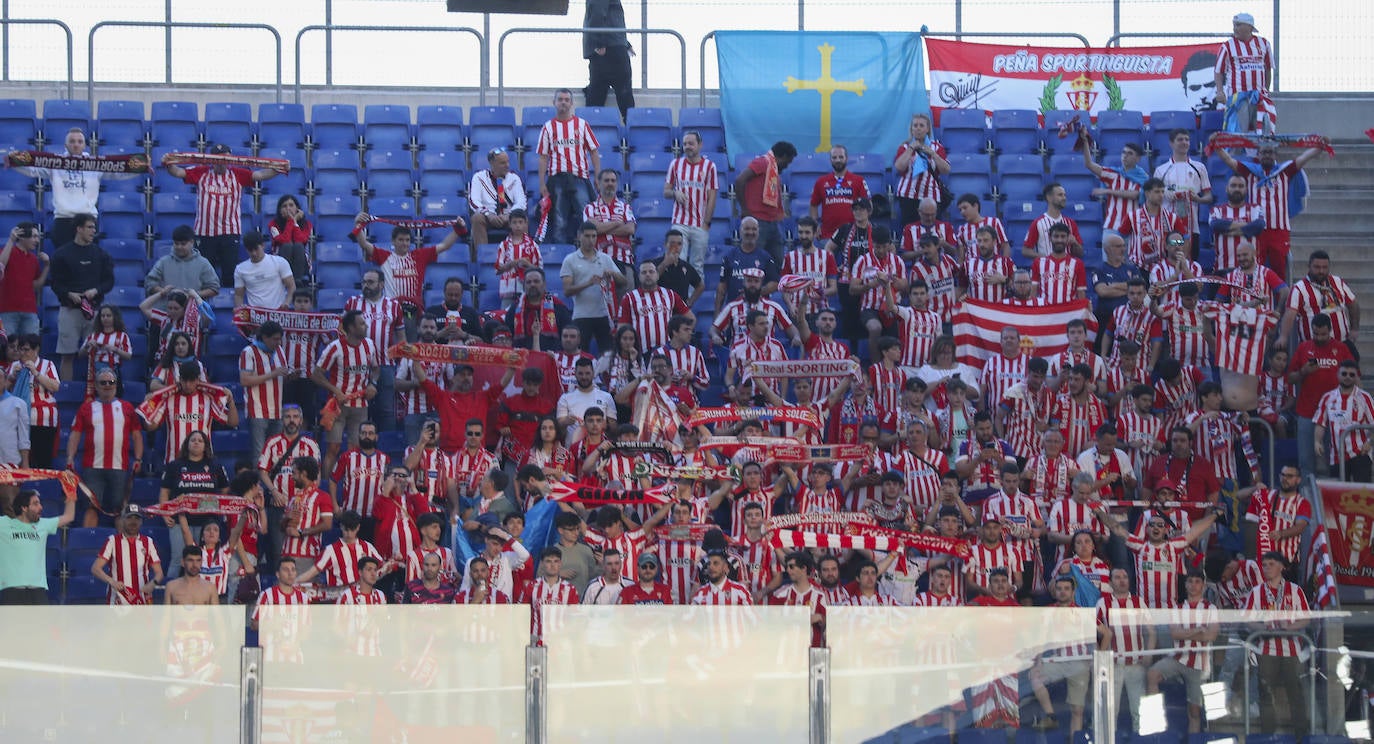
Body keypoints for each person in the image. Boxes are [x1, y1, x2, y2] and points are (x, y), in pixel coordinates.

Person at [161, 144, 280, 287]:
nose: (222, 163)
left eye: (225, 159)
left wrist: (278, 169)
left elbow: (260, 175)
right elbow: (179, 172)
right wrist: (168, 164)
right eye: (218, 159)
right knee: (203, 275)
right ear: (211, 160)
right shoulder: (202, 172)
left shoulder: (238, 174)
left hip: (230, 232)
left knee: (230, 274)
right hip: (204, 232)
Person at [1212, 135, 1327, 278]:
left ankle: (1278, 299)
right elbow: (1228, 160)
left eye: (1270, 152)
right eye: (1263, 152)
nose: (1267, 155)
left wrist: (1320, 146)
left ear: (1275, 155)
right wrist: (1216, 144)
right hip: (1257, 230)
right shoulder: (1249, 172)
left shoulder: (1285, 171)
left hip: (1279, 230)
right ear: (1258, 155)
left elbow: (1304, 158)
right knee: (1254, 270)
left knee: (1279, 271)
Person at [9, 128, 140, 249]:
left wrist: (140, 168)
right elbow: (33, 171)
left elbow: (118, 172)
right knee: (64, 264)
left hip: (87, 220)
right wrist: (15, 162)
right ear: (66, 145)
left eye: (79, 141)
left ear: (84, 145)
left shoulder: (97, 164)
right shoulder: (54, 163)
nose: (76, 144)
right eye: (72, 141)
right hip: (63, 220)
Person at [353, 213, 464, 339]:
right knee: (393, 348)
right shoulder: (385, 256)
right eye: (400, 240)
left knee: (411, 350)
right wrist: (358, 223)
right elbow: (364, 244)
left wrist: (457, 229)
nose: (404, 243)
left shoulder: (419, 256)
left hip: (413, 312)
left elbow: (445, 246)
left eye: (407, 240)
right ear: (393, 241)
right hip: (391, 311)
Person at [1243, 551, 1311, 733]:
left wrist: (1289, 628)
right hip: (1267, 649)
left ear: (1282, 566)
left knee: (1296, 694)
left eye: (1271, 564)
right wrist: (1262, 628)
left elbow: (1306, 619)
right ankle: (1268, 736)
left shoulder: (1295, 590)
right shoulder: (1256, 592)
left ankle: (1301, 737)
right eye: (1264, 565)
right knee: (1266, 694)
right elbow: (1247, 620)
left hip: (1291, 649)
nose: (1267, 568)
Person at [67, 367, 143, 526]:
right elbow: (75, 434)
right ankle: (88, 543)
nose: (107, 385)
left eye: (111, 382)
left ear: (116, 384)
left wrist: (138, 458)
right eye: (103, 382)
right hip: (92, 467)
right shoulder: (86, 408)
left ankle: (124, 548)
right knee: (91, 507)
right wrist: (70, 458)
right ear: (96, 385)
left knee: (120, 509)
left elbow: (137, 435)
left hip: (119, 466)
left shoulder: (127, 408)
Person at [312, 309, 379, 474]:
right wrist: (335, 390)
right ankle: (327, 487)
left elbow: (376, 369)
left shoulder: (369, 345)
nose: (366, 326)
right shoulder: (335, 348)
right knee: (333, 448)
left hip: (361, 405)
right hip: (337, 406)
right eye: (362, 323)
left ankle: (351, 486)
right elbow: (316, 375)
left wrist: (373, 383)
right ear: (351, 328)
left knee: (355, 450)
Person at [48, 213, 113, 381]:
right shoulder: (62, 254)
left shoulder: (101, 254)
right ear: (79, 229)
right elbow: (55, 283)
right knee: (67, 354)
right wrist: (69, 294)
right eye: (90, 227)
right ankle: (66, 392)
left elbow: (109, 281)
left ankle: (95, 392)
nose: (93, 231)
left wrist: (96, 290)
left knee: (96, 355)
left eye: (94, 227)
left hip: (94, 311)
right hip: (70, 310)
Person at [1028, 575, 1093, 737]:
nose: (1063, 592)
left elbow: (1095, 638)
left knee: (1077, 710)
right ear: (1054, 591)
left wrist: (1094, 660)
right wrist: (1038, 662)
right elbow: (1040, 638)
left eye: (1066, 589)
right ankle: (1051, 716)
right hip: (1058, 661)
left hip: (1080, 663)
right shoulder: (1049, 611)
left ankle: (1074, 740)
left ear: (1073, 591)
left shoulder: (1082, 612)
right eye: (1059, 589)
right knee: (1034, 676)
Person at [1290, 313, 1354, 476]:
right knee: (1306, 461)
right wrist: (1304, 371)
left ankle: (1333, 496)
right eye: (1316, 334)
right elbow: (1290, 378)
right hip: (1307, 412)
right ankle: (1306, 496)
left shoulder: (1341, 348)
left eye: (1323, 334)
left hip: (1336, 413)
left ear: (1330, 331)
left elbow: (1354, 375)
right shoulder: (1304, 347)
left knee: (1335, 459)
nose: (1319, 337)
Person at [159, 429, 230, 574]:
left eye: (200, 440)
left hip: (208, 521)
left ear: (205, 445)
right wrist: (165, 514)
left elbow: (225, 491)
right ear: (187, 444)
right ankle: (171, 594)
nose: (196, 443)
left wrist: (219, 510)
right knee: (178, 558)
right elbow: (164, 492)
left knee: (203, 560)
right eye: (193, 440)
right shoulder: (175, 466)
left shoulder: (215, 466)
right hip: (180, 520)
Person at [538, 88, 601, 245]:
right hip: (557, 179)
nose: (563, 102)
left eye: (567, 100)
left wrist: (598, 177)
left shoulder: (582, 125)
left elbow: (594, 152)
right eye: (560, 99)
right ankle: (560, 258)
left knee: (585, 217)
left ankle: (588, 254)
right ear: (554, 103)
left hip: (580, 178)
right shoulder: (548, 127)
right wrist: (541, 183)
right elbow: (543, 157)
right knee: (560, 220)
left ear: (572, 103)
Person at [1096, 566, 1154, 734]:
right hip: (1112, 666)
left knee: (1139, 709)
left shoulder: (1139, 601)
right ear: (1110, 582)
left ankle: (1141, 740)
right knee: (1109, 711)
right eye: (1117, 577)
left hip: (1136, 664)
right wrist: (1101, 661)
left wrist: (1148, 655)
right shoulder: (1102, 603)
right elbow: (1094, 634)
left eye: (1125, 577)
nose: (1122, 580)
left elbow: (1151, 631)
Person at [560, 220, 629, 354]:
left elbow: (623, 282)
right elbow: (567, 291)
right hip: (581, 315)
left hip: (604, 315)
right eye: (587, 236)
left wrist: (613, 274)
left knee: (608, 356)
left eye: (594, 236)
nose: (591, 240)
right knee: (580, 355)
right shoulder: (570, 259)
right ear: (579, 236)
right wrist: (588, 283)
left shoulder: (605, 258)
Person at [0, 488, 74, 604]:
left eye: (40, 503)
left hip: (38, 591)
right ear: (24, 508)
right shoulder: (4, 524)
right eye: (35, 504)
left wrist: (71, 492)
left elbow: (69, 516)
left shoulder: (43, 524)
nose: (41, 507)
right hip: (11, 591)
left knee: (42, 623)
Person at [1277, 250, 1359, 349]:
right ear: (1309, 266)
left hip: (1342, 345)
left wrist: (1354, 329)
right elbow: (1290, 314)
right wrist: (1283, 336)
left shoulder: (1338, 282)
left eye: (1325, 267)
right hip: (1313, 347)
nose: (1321, 271)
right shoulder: (1299, 288)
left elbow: (1353, 304)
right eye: (1317, 267)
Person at [733, 141, 798, 264]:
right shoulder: (762, 162)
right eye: (787, 161)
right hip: (758, 221)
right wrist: (745, 209)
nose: (787, 166)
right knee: (754, 260)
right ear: (783, 156)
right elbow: (740, 180)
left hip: (772, 221)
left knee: (778, 263)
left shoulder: (773, 170)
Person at [663, 132, 718, 273]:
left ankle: (693, 296)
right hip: (679, 223)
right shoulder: (675, 164)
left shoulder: (710, 167)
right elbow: (666, 192)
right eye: (685, 143)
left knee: (697, 266)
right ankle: (678, 295)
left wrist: (706, 223)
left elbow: (712, 196)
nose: (687, 147)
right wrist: (675, 193)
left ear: (700, 145)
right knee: (676, 261)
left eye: (691, 143)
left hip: (700, 224)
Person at [1214, 12, 1273, 135]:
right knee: (1238, 132)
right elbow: (1218, 71)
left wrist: (1266, 90)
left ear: (1249, 27)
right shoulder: (1228, 46)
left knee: (1263, 132)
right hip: (1238, 96)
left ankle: (1260, 154)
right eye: (1234, 25)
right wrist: (1220, 91)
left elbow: (1267, 69)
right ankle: (1235, 154)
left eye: (1238, 25)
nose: (1235, 28)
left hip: (1259, 96)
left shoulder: (1264, 44)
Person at [92, 504, 164, 605]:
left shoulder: (148, 542)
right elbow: (95, 568)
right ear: (122, 520)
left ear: (141, 521)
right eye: (129, 518)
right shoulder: (112, 541)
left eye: (137, 518)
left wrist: (152, 584)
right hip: (117, 601)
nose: (133, 522)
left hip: (142, 600)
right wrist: (112, 582)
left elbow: (159, 573)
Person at [1314, 359, 1374, 481]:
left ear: (1356, 376)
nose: (1348, 377)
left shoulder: (1364, 397)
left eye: (1352, 375)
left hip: (1360, 453)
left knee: (1361, 494)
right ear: (1338, 374)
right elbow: (1320, 423)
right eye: (1344, 374)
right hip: (1336, 455)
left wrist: (1370, 442)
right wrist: (1317, 441)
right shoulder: (1328, 397)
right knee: (1339, 495)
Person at [616, 260, 692, 354]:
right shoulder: (629, 298)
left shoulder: (670, 295)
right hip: (640, 353)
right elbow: (621, 329)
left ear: (657, 275)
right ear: (639, 277)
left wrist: (680, 340)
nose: (648, 275)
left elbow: (691, 318)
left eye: (651, 271)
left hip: (668, 352)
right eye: (644, 272)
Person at [1152, 129, 1212, 247]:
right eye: (1180, 139)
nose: (1184, 142)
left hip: (1192, 227)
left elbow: (1208, 197)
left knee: (1188, 259)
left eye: (1187, 140)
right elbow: (1152, 198)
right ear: (1171, 143)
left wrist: (1198, 199)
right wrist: (1164, 194)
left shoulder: (1199, 168)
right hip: (1167, 226)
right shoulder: (1161, 170)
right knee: (1173, 256)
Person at [8, 334, 58, 468]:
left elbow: (55, 386)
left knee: (42, 461)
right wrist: (12, 377)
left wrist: (36, 373)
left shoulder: (47, 365)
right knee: (19, 462)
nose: (22, 353)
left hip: (42, 419)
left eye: (26, 349)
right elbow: (4, 390)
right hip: (18, 420)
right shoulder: (15, 366)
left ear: (36, 350)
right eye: (21, 349)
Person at [239, 320, 289, 457]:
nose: (278, 342)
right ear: (265, 337)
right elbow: (244, 380)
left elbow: (281, 376)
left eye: (280, 339)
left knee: (277, 453)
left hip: (277, 411)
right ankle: (259, 479)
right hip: (257, 410)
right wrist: (273, 373)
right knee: (260, 454)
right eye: (275, 339)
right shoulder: (248, 352)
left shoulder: (280, 351)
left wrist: (290, 375)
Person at [892, 113, 949, 228]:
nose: (918, 128)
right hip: (908, 195)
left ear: (927, 129)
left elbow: (946, 170)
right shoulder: (904, 147)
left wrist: (933, 154)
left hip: (931, 195)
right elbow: (899, 167)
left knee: (932, 230)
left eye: (921, 126)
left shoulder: (937, 147)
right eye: (915, 125)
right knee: (910, 228)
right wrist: (911, 149)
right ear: (911, 129)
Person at [145, 224, 220, 309]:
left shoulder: (203, 263)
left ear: (192, 242)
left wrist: (193, 295)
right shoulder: (163, 262)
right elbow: (149, 283)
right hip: (166, 313)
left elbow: (214, 288)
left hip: (193, 314)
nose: (179, 247)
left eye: (183, 244)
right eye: (176, 244)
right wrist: (163, 292)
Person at [582, 0, 634, 120]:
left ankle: (592, 131)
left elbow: (608, 19)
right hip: (610, 49)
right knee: (623, 92)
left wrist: (625, 43)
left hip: (610, 46)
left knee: (598, 92)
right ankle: (632, 130)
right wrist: (599, 42)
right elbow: (597, 14)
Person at [468, 146, 527, 251]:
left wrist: (509, 215)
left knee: (522, 219)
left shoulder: (514, 178)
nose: (507, 165)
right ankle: (483, 256)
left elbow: (521, 202)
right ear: (492, 164)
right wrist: (488, 214)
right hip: (488, 216)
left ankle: (520, 254)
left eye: (508, 162)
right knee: (477, 218)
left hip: (509, 217)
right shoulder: (479, 177)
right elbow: (474, 201)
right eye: (502, 163)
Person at [1083, 142, 1144, 242]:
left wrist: (1108, 191)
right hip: (1112, 226)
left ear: (1138, 159)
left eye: (1130, 153)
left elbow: (1135, 195)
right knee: (1108, 258)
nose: (1125, 156)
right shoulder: (1113, 174)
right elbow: (1089, 165)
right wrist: (1085, 142)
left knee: (1132, 258)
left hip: (1134, 228)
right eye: (1123, 152)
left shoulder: (1143, 178)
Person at [810, 144, 869, 244]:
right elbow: (813, 205)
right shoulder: (821, 182)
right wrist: (815, 225)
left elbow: (868, 205)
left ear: (846, 158)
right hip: (827, 236)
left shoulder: (858, 181)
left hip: (852, 237)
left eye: (841, 157)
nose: (838, 160)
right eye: (834, 157)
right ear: (830, 160)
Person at [517, 546, 581, 639]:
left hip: (560, 642)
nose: (552, 565)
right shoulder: (531, 587)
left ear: (560, 564)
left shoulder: (570, 589)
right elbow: (521, 614)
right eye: (548, 561)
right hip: (535, 640)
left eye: (556, 561)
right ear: (542, 564)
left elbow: (574, 619)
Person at [1207, 175, 1266, 273]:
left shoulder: (1256, 208)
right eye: (1233, 186)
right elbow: (1216, 225)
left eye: (1241, 186)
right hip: (1223, 269)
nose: (1237, 189)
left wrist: (1233, 230)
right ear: (1227, 189)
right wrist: (1248, 226)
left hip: (1251, 271)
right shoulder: (1217, 210)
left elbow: (1259, 225)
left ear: (1246, 190)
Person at [0, 222, 49, 336]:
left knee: (31, 347)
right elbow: (1, 266)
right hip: (7, 310)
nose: (37, 241)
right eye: (34, 236)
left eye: (38, 237)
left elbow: (35, 286)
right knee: (7, 347)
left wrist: (47, 266)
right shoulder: (8, 252)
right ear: (22, 237)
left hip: (30, 311)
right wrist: (11, 240)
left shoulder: (33, 259)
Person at [505, 269, 571, 351]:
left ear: (544, 284)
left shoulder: (558, 306)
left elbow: (567, 336)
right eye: (528, 282)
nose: (532, 284)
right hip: (522, 358)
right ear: (524, 286)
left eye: (536, 281)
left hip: (551, 357)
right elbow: (508, 335)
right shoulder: (515, 308)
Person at [233, 231, 294, 309]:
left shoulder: (279, 262)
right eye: (250, 250)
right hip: (255, 315)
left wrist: (287, 303)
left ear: (263, 246)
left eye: (256, 249)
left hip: (278, 312)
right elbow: (239, 295)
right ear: (246, 250)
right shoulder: (240, 269)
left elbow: (291, 286)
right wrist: (239, 309)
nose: (254, 253)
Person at [1022, 182, 1083, 259]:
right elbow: (1025, 250)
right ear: (1049, 197)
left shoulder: (1071, 223)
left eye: (1064, 195)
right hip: (1046, 270)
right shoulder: (1038, 223)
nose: (1064, 198)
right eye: (1060, 195)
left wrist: (1075, 243)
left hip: (1067, 269)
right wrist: (1048, 259)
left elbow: (1080, 254)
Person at [493, 209, 543, 302]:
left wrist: (527, 265)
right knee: (506, 315)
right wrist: (513, 263)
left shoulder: (532, 245)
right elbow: (497, 270)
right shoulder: (504, 245)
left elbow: (540, 270)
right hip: (508, 289)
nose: (517, 225)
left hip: (528, 290)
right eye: (514, 222)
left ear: (525, 224)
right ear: (510, 224)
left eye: (520, 222)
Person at [654, 230, 705, 311]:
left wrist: (689, 302)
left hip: (680, 311)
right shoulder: (654, 264)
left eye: (679, 244)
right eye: (672, 243)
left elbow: (700, 285)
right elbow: (649, 282)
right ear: (665, 244)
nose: (676, 247)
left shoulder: (686, 266)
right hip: (660, 310)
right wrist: (664, 264)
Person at [267, 194, 313, 283]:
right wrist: (291, 221)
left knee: (299, 246)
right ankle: (285, 280)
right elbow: (284, 240)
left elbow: (301, 240)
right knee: (287, 246)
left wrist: (294, 221)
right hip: (280, 259)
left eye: (291, 205)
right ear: (280, 210)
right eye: (284, 206)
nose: (288, 208)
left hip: (302, 262)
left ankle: (298, 281)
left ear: (297, 209)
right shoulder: (273, 224)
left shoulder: (307, 224)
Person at [425, 276, 482, 344]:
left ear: (462, 294)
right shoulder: (432, 311)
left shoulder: (471, 313)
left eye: (456, 295)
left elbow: (481, 340)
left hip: (465, 351)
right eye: (450, 295)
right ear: (444, 293)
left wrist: (464, 335)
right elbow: (421, 339)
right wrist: (440, 334)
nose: (453, 298)